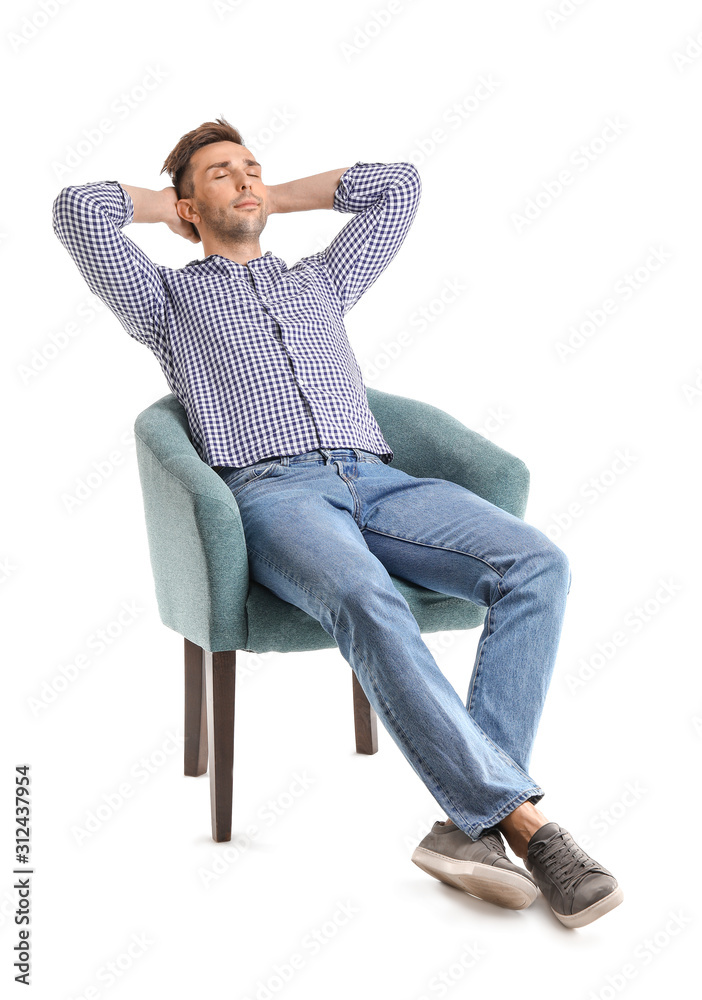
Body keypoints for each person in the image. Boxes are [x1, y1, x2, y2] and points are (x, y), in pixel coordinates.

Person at [52, 117, 623, 929]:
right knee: (363, 596)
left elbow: (399, 187)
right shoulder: (165, 301)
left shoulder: (321, 280)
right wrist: (175, 208)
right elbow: (77, 210)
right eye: (221, 173)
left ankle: (464, 828)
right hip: (274, 492)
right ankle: (527, 829)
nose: (244, 178)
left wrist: (270, 197)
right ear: (186, 205)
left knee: (539, 564)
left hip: (380, 481)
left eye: (252, 166)